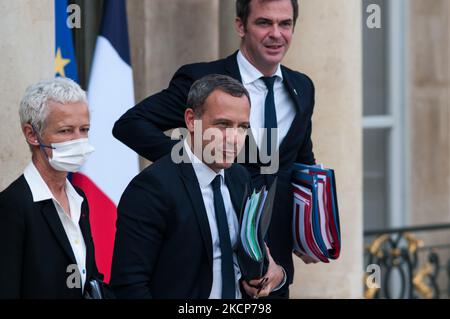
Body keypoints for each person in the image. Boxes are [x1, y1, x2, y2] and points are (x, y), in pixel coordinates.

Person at [112, 0, 316, 298]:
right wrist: (190, 165)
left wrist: (310, 232)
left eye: (285, 24)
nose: (276, 34)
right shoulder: (201, 81)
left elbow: (300, 162)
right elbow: (131, 124)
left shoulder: (302, 87)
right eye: (263, 23)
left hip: (270, 260)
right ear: (240, 26)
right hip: (199, 248)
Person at [110, 74, 285, 299]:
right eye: (223, 124)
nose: (234, 138)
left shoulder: (239, 178)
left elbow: (246, 257)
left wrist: (274, 274)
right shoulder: (152, 188)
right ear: (192, 120)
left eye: (243, 127)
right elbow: (129, 285)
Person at [0, 78, 101, 298]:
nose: (79, 140)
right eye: (65, 131)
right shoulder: (13, 205)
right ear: (32, 134)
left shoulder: (78, 198)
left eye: (84, 129)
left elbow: (88, 279)